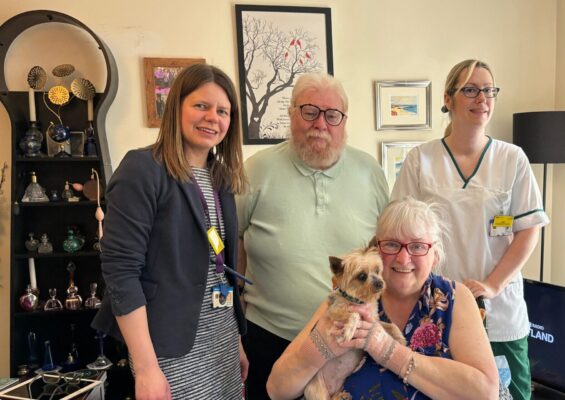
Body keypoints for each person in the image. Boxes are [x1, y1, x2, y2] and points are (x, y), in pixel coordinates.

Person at [390, 59, 548, 400]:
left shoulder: (512, 159)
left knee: (508, 394)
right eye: (471, 90)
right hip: (437, 309)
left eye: (489, 90)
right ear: (448, 99)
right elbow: (400, 233)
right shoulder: (422, 160)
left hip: (499, 311)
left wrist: (493, 284)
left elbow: (528, 231)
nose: (483, 99)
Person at [92, 64, 249, 399]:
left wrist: (234, 339)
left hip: (221, 340)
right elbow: (121, 272)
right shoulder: (143, 169)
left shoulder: (221, 177)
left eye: (222, 111)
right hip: (167, 348)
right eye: (201, 106)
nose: (212, 118)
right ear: (176, 106)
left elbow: (219, 269)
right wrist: (147, 367)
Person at [236, 72, 389, 399]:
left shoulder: (371, 172)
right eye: (309, 111)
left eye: (332, 115)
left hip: (351, 344)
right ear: (291, 114)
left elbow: (384, 249)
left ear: (344, 121)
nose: (321, 123)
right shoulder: (255, 170)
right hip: (271, 339)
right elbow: (228, 242)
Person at [266, 197, 500, 400]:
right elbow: (276, 389)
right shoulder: (349, 297)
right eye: (391, 244)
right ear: (376, 250)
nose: (402, 258)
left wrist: (386, 349)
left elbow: (486, 393)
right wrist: (320, 348)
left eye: (418, 246)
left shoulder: (454, 298)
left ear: (435, 255)